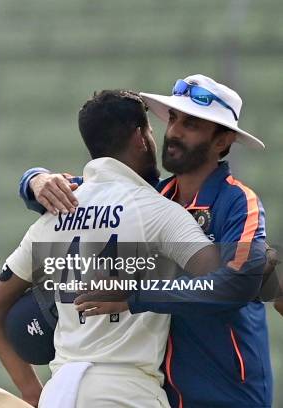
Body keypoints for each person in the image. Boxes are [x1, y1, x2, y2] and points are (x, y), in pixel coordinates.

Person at [21, 75, 272, 407]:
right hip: (156, 394)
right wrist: (35, 180)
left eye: (192, 124)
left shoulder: (238, 202)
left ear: (222, 141)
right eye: (173, 119)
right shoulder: (151, 197)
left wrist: (137, 297)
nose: (174, 131)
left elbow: (237, 285)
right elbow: (78, 189)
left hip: (226, 393)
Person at [0, 90, 218, 407]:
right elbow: (224, 281)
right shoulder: (158, 211)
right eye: (149, 130)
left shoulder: (53, 215)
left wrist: (31, 391)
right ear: (139, 137)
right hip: (127, 392)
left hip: (61, 391)